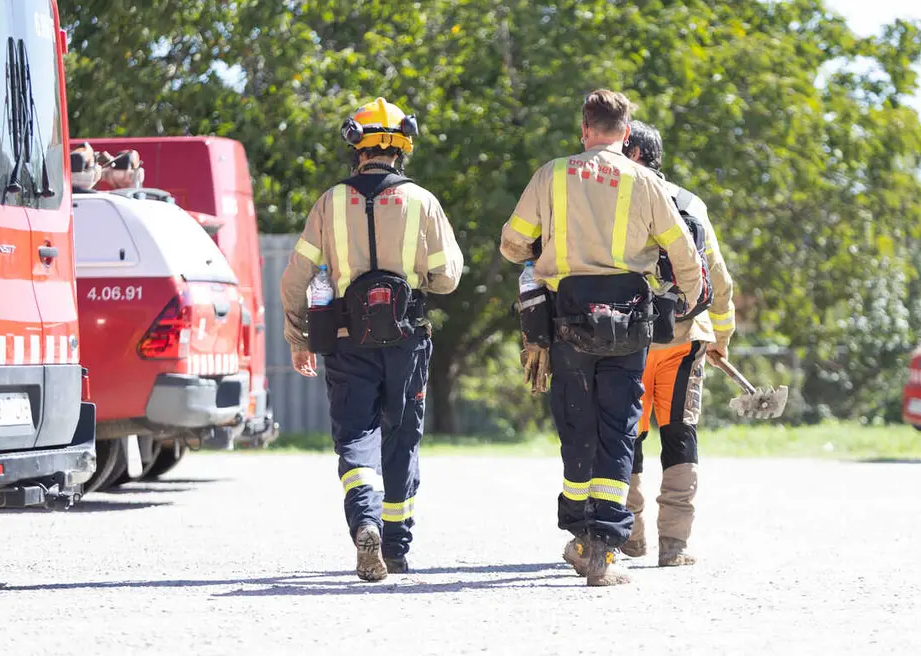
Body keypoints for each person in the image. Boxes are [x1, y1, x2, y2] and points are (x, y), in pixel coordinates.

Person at [500, 90, 705, 586]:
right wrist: (688, 301)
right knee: (619, 427)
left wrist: (539, 252)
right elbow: (684, 254)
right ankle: (603, 548)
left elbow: (511, 243)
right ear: (626, 131)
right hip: (630, 320)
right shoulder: (645, 180)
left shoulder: (552, 174)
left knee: (577, 423)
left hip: (568, 319)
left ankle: (576, 531)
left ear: (585, 128)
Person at [280, 97, 464, 582]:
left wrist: (298, 337)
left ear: (354, 144)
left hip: (344, 341)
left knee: (356, 437)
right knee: (402, 437)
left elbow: (295, 278)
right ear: (403, 145)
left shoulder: (329, 202)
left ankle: (365, 522)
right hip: (406, 340)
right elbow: (447, 278)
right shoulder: (423, 200)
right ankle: (397, 548)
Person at [620, 120, 735, 566]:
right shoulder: (690, 204)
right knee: (679, 435)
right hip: (686, 339)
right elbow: (719, 280)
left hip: (629, 338)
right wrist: (720, 336)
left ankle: (631, 536)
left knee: (626, 433)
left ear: (630, 155)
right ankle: (674, 545)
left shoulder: (619, 201)